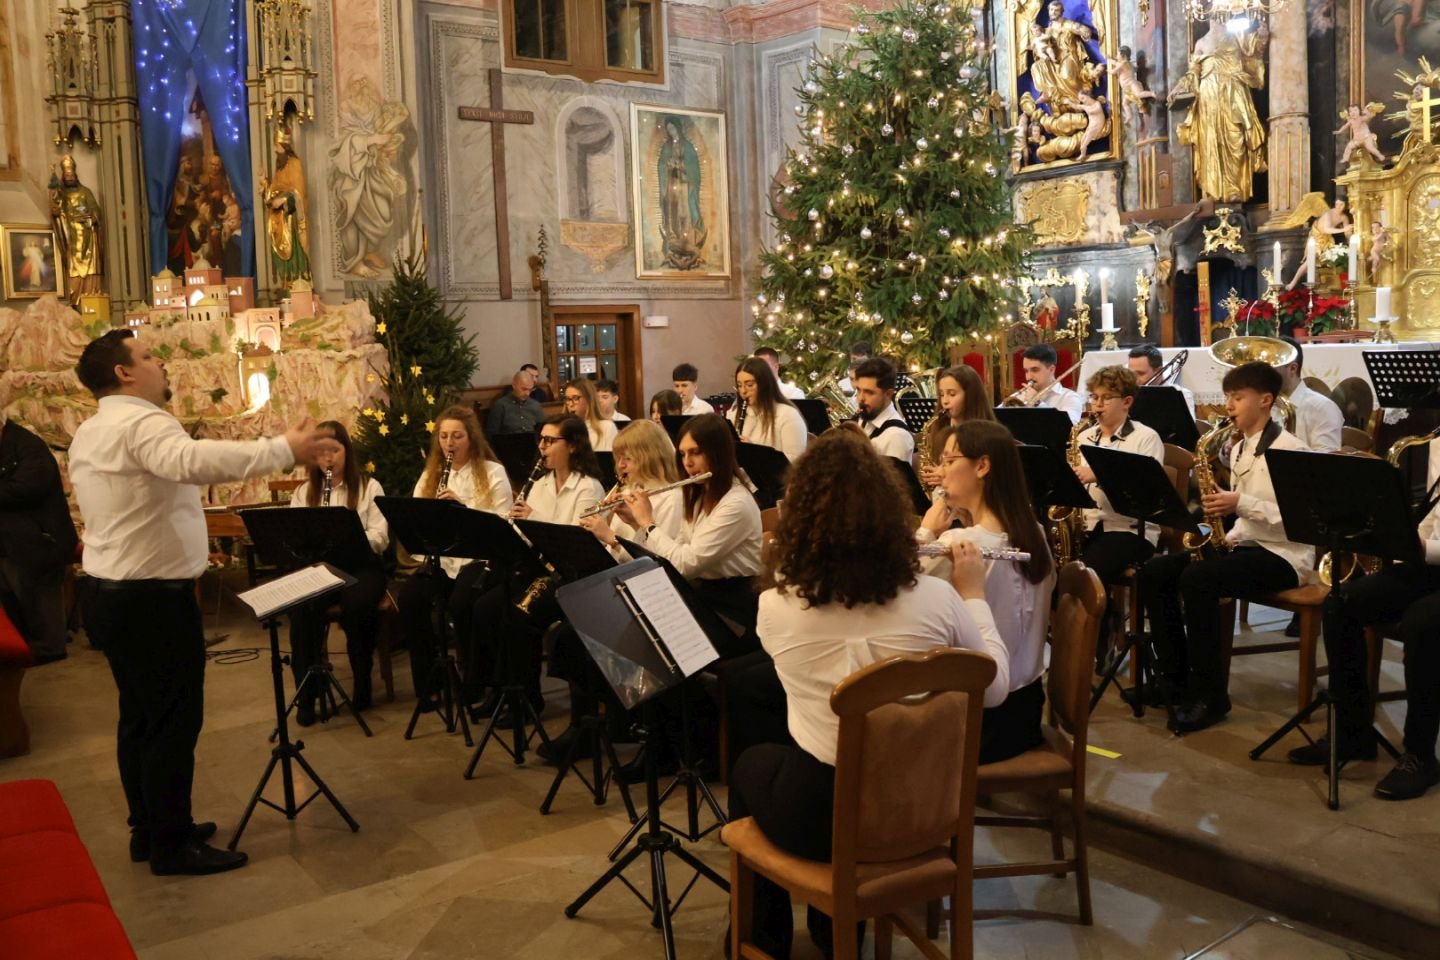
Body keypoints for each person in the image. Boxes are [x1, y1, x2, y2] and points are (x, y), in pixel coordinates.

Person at [729, 429, 1011, 959]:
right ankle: (841, 936)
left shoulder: (776, 608)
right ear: (889, 515)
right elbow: (993, 691)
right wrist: (973, 596)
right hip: (926, 808)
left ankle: (764, 937)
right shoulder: (938, 599)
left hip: (824, 817)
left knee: (754, 762)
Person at [68, 329, 336, 876]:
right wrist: (282, 449)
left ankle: (150, 828)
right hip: (150, 601)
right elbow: (193, 463)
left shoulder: (92, 429)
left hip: (111, 593)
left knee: (140, 718)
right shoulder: (140, 421)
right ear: (123, 373)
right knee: (172, 722)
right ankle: (171, 845)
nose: (160, 364)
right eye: (147, 357)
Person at [1138, 362, 1315, 733]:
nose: (1228, 405)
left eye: (1237, 397)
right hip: (1247, 545)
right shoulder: (1238, 448)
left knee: (1199, 579)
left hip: (1286, 556)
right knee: (1156, 571)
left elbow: (1302, 520)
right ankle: (1174, 678)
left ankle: (1210, 694)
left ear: (1266, 400)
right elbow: (1246, 521)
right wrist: (1224, 535)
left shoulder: (1291, 449)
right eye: (1227, 397)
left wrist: (1239, 505)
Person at [1290, 441, 1440, 800]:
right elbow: (1435, 518)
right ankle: (1352, 733)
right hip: (1431, 565)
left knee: (1423, 622)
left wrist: (1423, 549)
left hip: (1434, 560)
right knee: (1342, 601)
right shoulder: (1438, 443)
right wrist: (1406, 541)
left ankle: (1420, 755)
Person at [917, 419, 1056, 762]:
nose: (941, 472)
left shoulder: (960, 544)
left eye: (950, 461)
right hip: (1026, 712)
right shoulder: (1033, 531)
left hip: (979, 721)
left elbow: (897, 594)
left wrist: (924, 533)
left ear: (982, 466)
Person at [398, 406, 513, 711]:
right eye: (444, 436)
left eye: (457, 436)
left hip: (477, 561)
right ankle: (430, 686)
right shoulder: (430, 474)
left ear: (471, 438)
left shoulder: (492, 472)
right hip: (442, 560)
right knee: (410, 599)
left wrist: (462, 509)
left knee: (463, 604)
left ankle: (476, 682)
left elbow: (502, 526)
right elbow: (414, 522)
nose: (449, 443)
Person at [618, 414, 763, 640]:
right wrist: (635, 523)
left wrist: (648, 523)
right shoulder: (699, 495)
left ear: (718, 453)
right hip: (703, 595)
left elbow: (685, 564)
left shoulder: (736, 504)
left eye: (696, 452)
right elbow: (676, 551)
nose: (687, 463)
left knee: (642, 637)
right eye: (683, 454)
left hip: (733, 609)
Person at [286, 421, 389, 721]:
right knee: (302, 608)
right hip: (320, 569)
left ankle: (362, 683)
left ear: (347, 451)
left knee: (357, 607)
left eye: (334, 450)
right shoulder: (305, 492)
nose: (328, 458)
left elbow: (380, 538)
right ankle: (307, 695)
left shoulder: (369, 487)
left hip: (361, 567)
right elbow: (293, 537)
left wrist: (351, 538)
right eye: (321, 452)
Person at [1072, 367, 1166, 667]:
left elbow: (1144, 491)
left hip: (1130, 530)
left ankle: (1096, 639)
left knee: (1088, 572)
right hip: (1090, 525)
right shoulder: (1085, 436)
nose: (1097, 405)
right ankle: (1099, 622)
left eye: (1106, 398)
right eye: (1094, 397)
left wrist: (1097, 474)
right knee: (1054, 570)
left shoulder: (1145, 438)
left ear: (1127, 402)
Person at [0, 413, 78, 664]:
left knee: (39, 599)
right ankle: (24, 647)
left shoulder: (27, 445)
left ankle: (48, 649)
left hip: (40, 540)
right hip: (11, 540)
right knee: (12, 596)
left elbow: (28, 487)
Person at [920, 365, 995, 488]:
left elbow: (987, 483)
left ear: (970, 396)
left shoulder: (987, 436)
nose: (945, 401)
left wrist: (946, 477)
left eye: (952, 394)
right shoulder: (939, 428)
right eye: (942, 394)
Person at [728, 357, 808, 462]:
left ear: (764, 384)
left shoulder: (788, 415)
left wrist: (754, 452)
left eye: (749, 385)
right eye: (739, 385)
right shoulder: (734, 415)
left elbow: (795, 463)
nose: (743, 391)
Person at [1277, 336, 1344, 454]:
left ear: (1292, 368)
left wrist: (1292, 446)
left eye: (1271, 367)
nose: (1264, 374)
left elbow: (1328, 462)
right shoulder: (1263, 404)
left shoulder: (1323, 408)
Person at [852, 357, 915, 462]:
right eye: (859, 390)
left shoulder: (897, 436)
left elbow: (894, 478)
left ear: (888, 394)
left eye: (869, 392)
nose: (860, 398)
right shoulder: (864, 417)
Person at [1016, 343, 1085, 423]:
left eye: (1035, 370)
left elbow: (1069, 427)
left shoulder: (1070, 398)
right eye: (1026, 371)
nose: (1028, 377)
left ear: (1051, 369)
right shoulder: (1020, 396)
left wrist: (1037, 403)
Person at [1127, 343, 1197, 418]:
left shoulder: (1182, 395)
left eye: (1140, 373)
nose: (1134, 379)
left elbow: (1187, 428)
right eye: (1131, 373)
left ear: (1159, 371)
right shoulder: (1127, 394)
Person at [563, 378, 618, 453]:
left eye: (575, 398)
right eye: (568, 399)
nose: (570, 404)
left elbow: (610, 462)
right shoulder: (564, 427)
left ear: (589, 399)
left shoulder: (607, 427)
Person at [486, 371, 545, 437]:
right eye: (524, 389)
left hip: (533, 444)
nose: (527, 393)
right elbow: (491, 434)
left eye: (530, 390)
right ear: (514, 385)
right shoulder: (500, 405)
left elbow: (543, 429)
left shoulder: (536, 405)